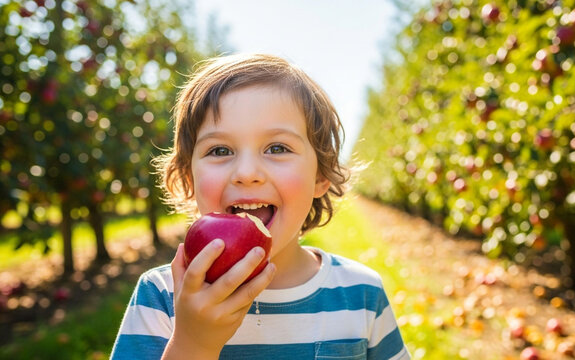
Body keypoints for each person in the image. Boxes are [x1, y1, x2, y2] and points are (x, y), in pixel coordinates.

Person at [110, 53, 409, 360]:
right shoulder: (162, 298)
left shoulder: (360, 294)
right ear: (190, 178)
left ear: (320, 175)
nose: (246, 173)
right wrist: (193, 344)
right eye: (220, 150)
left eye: (277, 148)